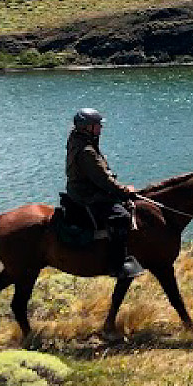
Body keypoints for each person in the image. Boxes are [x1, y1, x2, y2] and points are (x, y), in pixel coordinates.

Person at [65, 108, 145, 278]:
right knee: (122, 216)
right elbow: (103, 180)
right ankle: (117, 265)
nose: (100, 128)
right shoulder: (87, 151)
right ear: (87, 127)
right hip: (88, 194)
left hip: (79, 189)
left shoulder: (77, 140)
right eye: (97, 125)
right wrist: (125, 191)